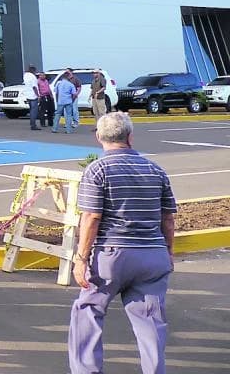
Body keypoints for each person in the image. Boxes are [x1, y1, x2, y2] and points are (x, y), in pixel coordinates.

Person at [69, 112, 176, 374]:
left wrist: (81, 259)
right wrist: (168, 252)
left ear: (99, 137)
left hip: (112, 255)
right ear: (130, 137)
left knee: (88, 311)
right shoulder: (155, 170)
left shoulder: (98, 170)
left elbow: (91, 217)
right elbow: (168, 218)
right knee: (151, 321)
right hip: (152, 255)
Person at [23, 65, 41, 131]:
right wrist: (38, 95)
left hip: (28, 95)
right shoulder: (33, 77)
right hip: (33, 96)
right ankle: (33, 125)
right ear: (33, 71)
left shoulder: (25, 75)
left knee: (31, 111)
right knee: (34, 111)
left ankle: (32, 124)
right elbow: (34, 87)